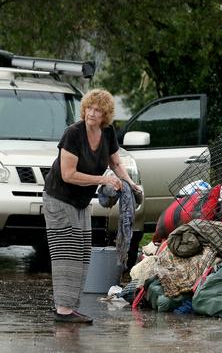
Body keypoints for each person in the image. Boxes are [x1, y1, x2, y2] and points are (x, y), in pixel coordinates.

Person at [43, 89, 140, 324]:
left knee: (83, 253)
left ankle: (70, 307)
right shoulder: (73, 134)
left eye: (98, 110)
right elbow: (68, 174)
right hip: (58, 199)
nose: (92, 113)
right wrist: (103, 180)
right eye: (89, 108)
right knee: (67, 254)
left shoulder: (107, 133)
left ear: (105, 115)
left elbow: (116, 162)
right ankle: (63, 310)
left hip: (81, 202)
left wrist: (130, 184)